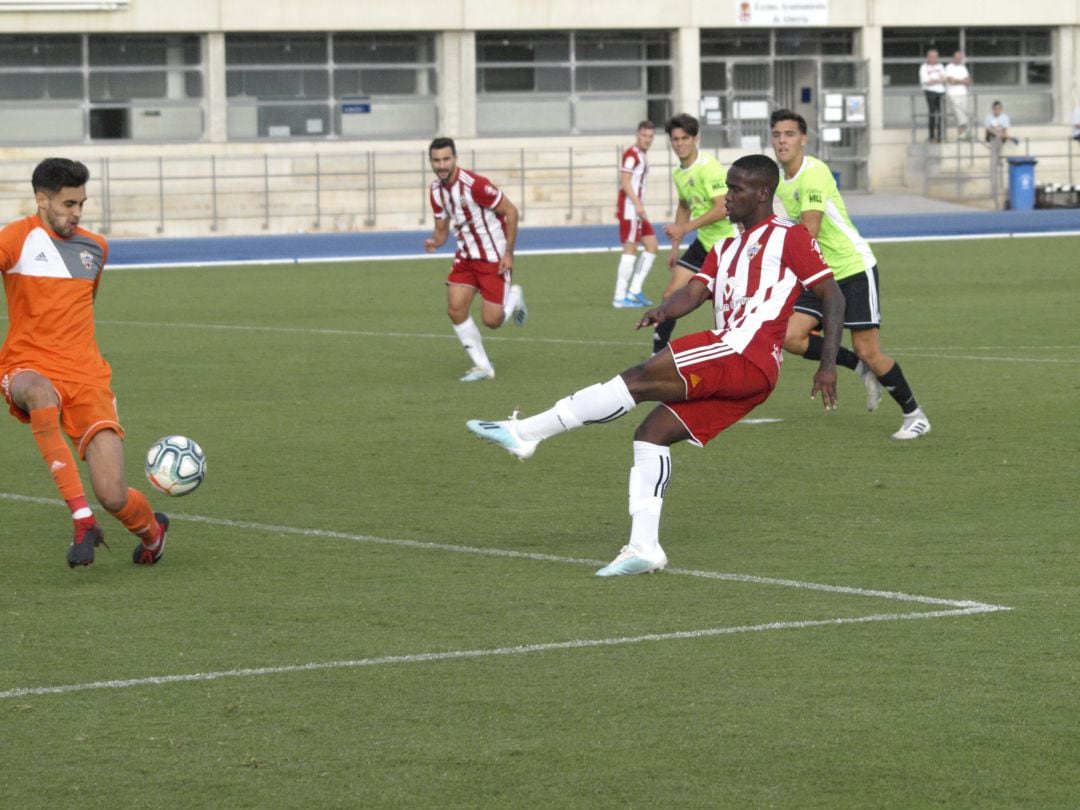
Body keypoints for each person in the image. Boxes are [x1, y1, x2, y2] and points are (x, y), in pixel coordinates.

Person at [466, 155, 844, 576]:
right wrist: (664, 309)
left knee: (638, 379)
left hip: (743, 353)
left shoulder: (788, 236)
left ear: (762, 193)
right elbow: (695, 293)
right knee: (651, 434)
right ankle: (645, 548)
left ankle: (526, 433)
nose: (727, 197)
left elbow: (832, 295)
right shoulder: (725, 248)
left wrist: (826, 364)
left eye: (736, 189)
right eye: (727, 187)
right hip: (745, 369)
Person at [0, 158, 169, 568]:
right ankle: (82, 519)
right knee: (40, 392)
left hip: (88, 377)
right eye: (68, 203)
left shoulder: (95, 248)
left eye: (81, 204)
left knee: (113, 493)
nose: (75, 213)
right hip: (27, 365)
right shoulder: (15, 239)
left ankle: (153, 532)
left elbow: (81, 308)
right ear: (42, 199)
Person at [770, 109, 931, 440]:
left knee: (868, 349)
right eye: (776, 135)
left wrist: (779, 264)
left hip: (852, 268)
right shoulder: (783, 181)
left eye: (789, 134)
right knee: (790, 336)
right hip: (820, 274)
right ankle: (861, 371)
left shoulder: (814, 173)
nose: (782, 140)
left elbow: (809, 230)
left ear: (803, 139)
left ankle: (915, 414)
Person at [424, 136, 526, 382]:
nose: (441, 165)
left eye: (446, 159)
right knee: (455, 308)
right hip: (466, 257)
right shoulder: (436, 191)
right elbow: (441, 227)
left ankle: (514, 296)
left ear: (455, 159)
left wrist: (509, 253)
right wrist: (436, 241)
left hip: (493, 257)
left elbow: (510, 211)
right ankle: (483, 367)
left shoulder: (475, 185)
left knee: (492, 321)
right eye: (436, 160)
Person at [656, 112, 735, 353]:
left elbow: (723, 207)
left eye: (684, 138)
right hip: (703, 243)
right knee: (670, 294)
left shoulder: (708, 168)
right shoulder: (679, 172)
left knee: (725, 305)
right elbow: (684, 205)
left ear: (696, 139)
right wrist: (675, 247)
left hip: (728, 245)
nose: (680, 144)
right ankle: (656, 353)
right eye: (675, 139)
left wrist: (685, 228)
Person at [612, 120, 660, 308]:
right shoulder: (631, 155)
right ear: (637, 135)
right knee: (630, 249)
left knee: (652, 245)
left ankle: (634, 290)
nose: (647, 139)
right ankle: (619, 297)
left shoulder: (642, 155)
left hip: (637, 209)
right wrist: (638, 204)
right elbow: (625, 181)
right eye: (644, 135)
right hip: (630, 209)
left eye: (650, 137)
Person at [919, 48, 947, 143]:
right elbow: (927, 82)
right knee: (932, 113)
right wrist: (938, 80)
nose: (933, 58)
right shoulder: (924, 67)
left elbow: (944, 79)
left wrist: (934, 80)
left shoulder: (941, 66)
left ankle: (940, 135)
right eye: (931, 56)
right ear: (928, 57)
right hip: (930, 92)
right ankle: (931, 136)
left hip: (941, 92)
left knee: (941, 114)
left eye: (935, 56)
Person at [944, 50, 973, 141]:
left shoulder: (963, 67)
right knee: (958, 113)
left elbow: (969, 81)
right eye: (957, 57)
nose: (958, 59)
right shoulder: (948, 67)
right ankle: (965, 131)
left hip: (963, 93)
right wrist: (962, 81)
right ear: (953, 58)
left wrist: (958, 81)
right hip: (952, 93)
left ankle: (961, 134)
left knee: (963, 112)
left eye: (960, 58)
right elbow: (951, 81)